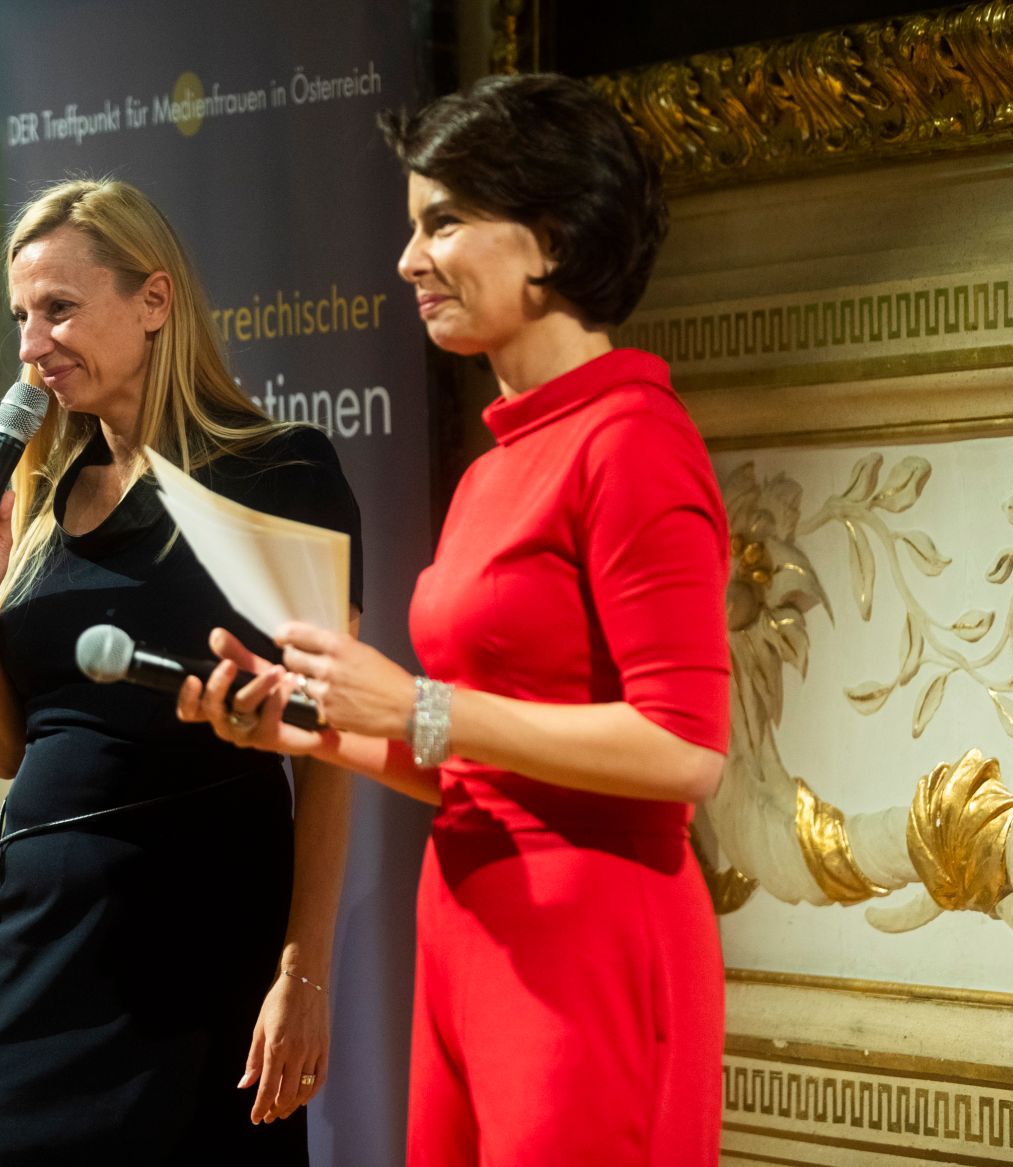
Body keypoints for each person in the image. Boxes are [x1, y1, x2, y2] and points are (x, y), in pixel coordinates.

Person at [179, 74, 730, 1166]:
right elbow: (481, 762)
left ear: (553, 237)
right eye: (408, 225)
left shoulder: (633, 441)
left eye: (441, 223)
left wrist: (421, 701)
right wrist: (312, 727)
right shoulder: (496, 465)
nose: (406, 259)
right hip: (471, 924)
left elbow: (683, 750)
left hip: (587, 944)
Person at [0, 178, 362, 1166]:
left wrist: (302, 972)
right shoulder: (41, 497)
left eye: (59, 308)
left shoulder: (278, 474)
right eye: (20, 318)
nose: (31, 345)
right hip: (32, 964)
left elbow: (330, 746)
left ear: (154, 301)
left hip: (194, 957)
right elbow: (9, 754)